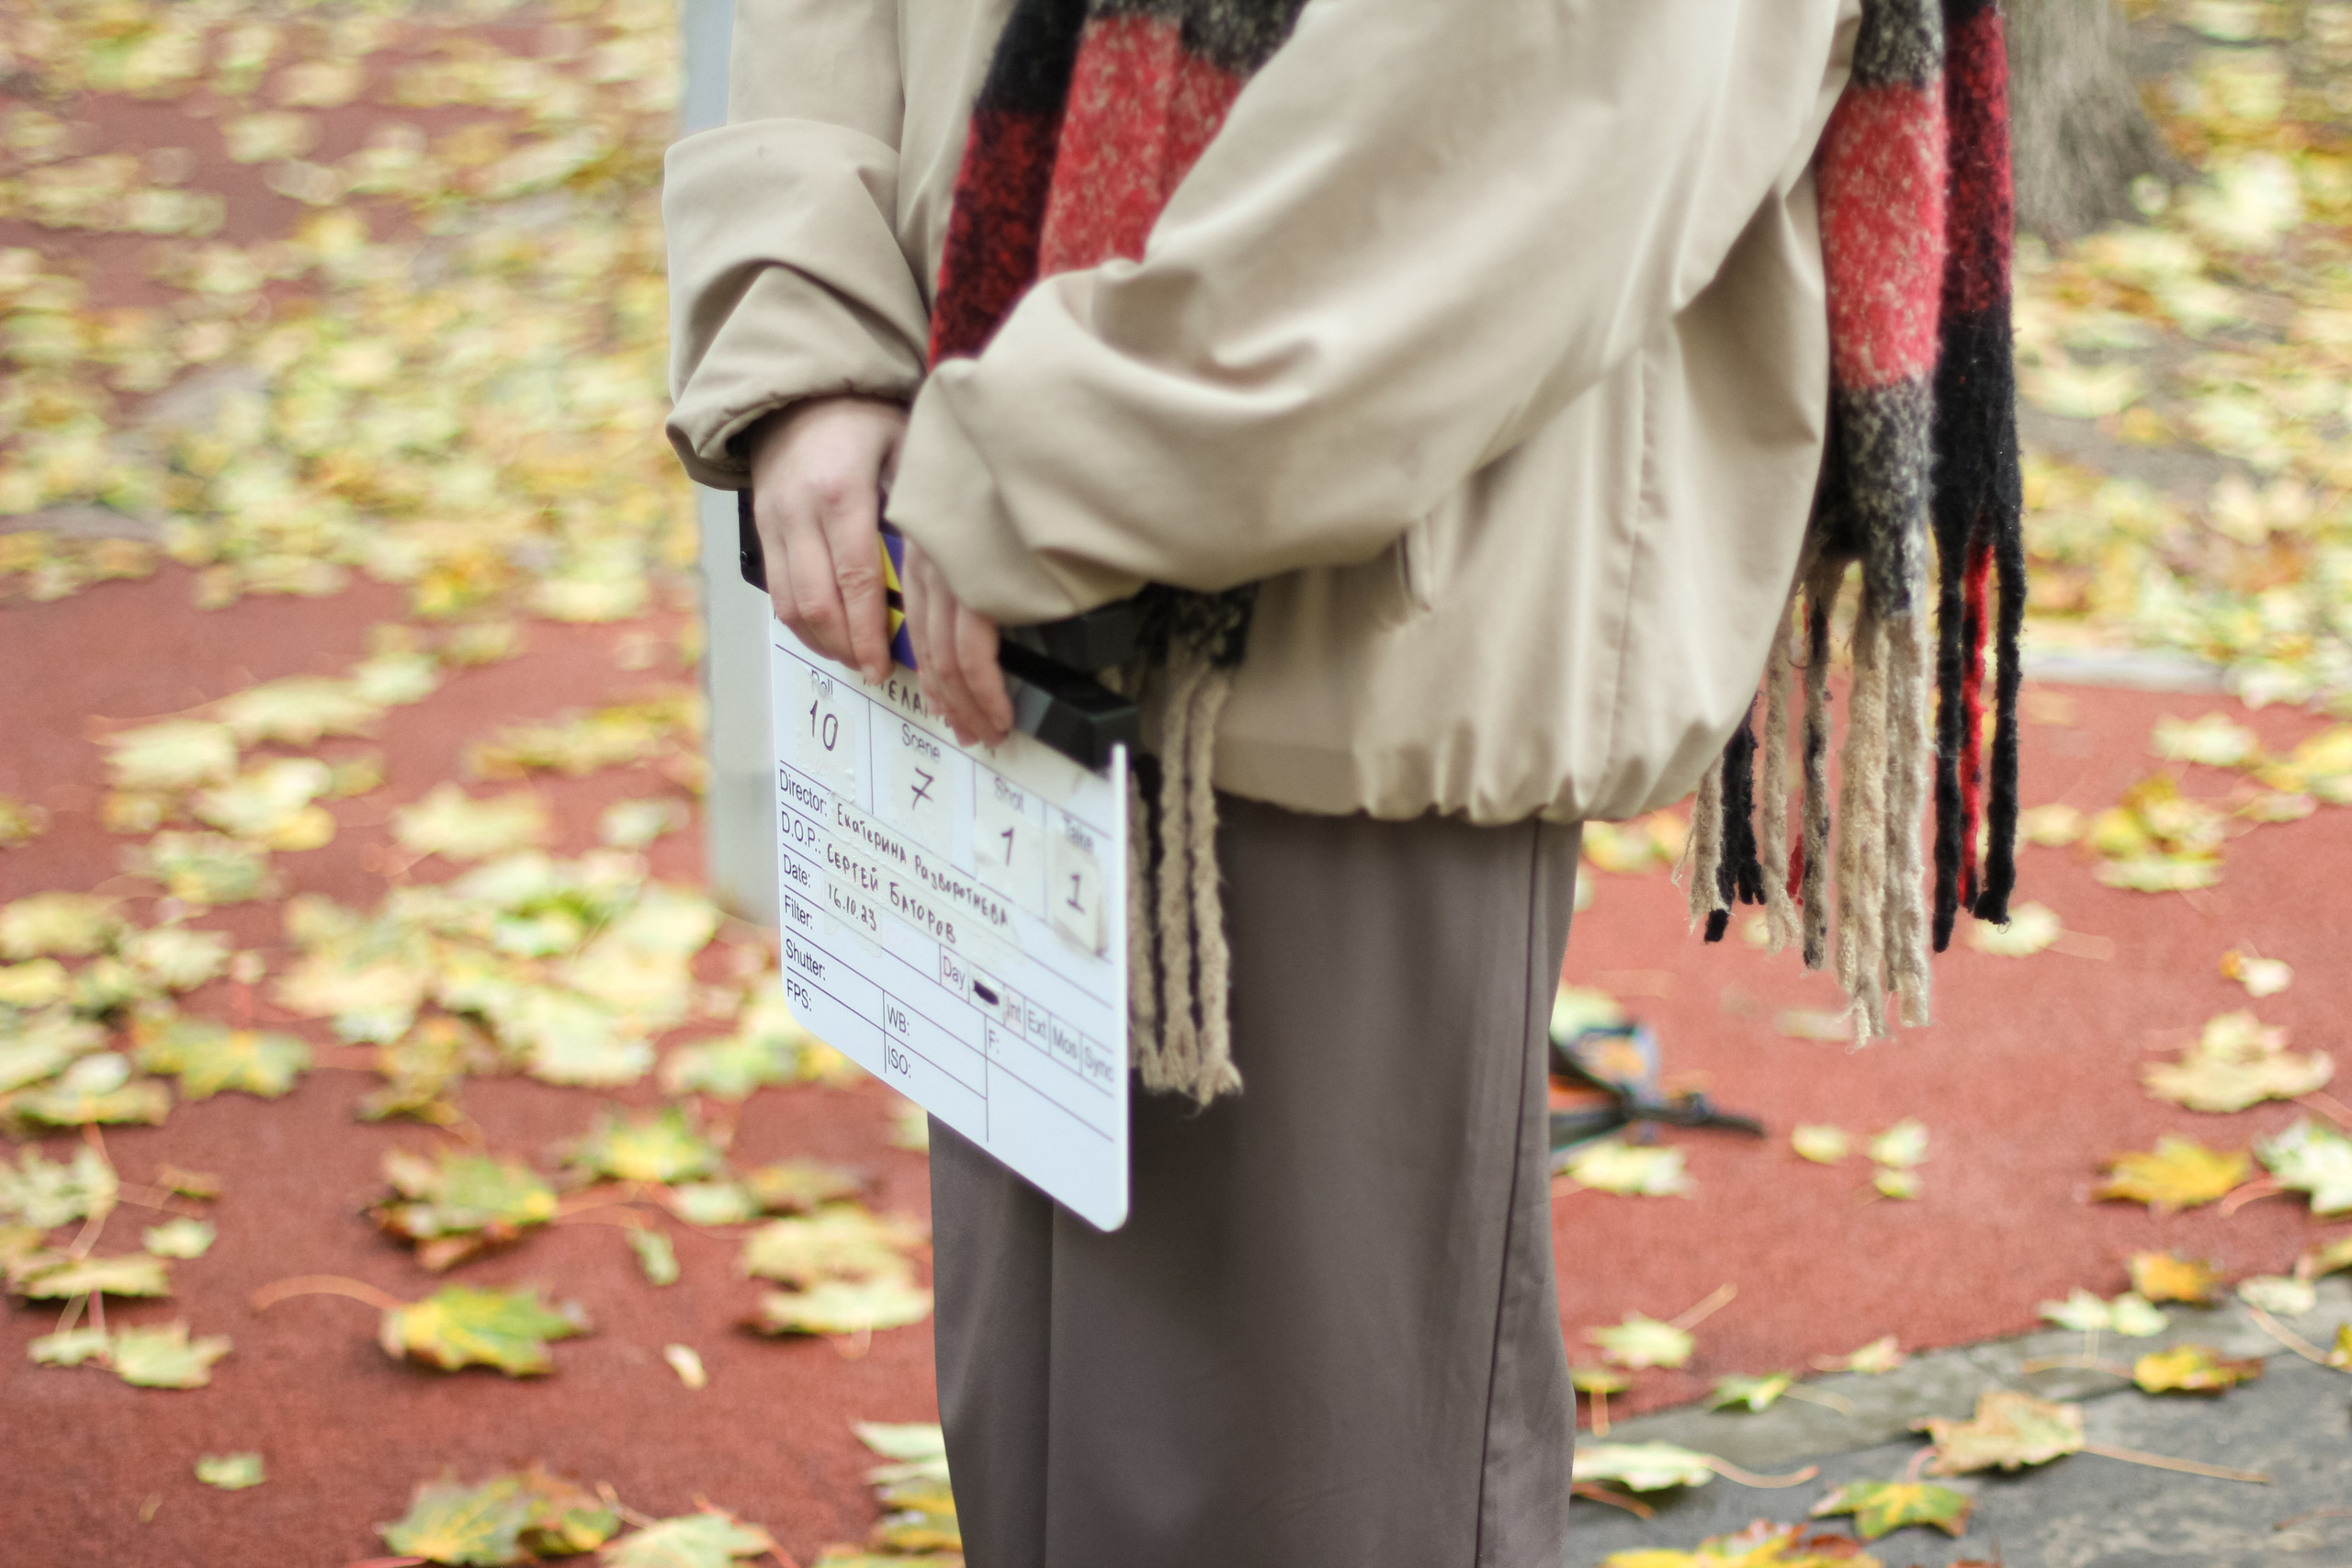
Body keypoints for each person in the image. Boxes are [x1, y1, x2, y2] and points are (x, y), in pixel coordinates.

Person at [665, 0, 2019, 1561]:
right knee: (1056, 1479)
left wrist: (1034, 457)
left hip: (1326, 617)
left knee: (1283, 1499)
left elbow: (1545, 93)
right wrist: (817, 340)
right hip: (985, 515)